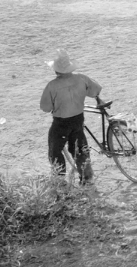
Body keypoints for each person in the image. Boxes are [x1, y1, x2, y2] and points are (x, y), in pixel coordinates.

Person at [40, 49, 101, 184]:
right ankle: (87, 177)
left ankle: (59, 179)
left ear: (56, 70)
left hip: (61, 123)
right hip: (78, 119)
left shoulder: (52, 86)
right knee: (80, 148)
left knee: (55, 150)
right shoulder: (81, 78)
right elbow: (96, 89)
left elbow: (45, 108)